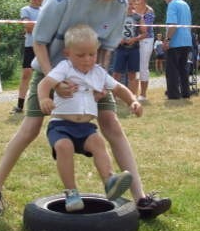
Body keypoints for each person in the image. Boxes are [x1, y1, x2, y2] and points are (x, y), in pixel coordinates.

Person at [0, 0, 171, 219]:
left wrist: (98, 82)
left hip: (92, 70)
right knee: (30, 128)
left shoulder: (119, 5)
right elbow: (39, 42)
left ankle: (141, 200)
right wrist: (54, 82)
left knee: (112, 125)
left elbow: (107, 47)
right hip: (52, 69)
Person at [38, 24, 140, 211]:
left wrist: (133, 101)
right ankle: (71, 193)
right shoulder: (64, 68)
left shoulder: (99, 72)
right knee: (64, 146)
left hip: (86, 128)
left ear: (97, 52)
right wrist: (44, 98)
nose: (87, 60)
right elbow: (44, 84)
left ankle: (110, 182)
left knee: (98, 143)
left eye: (91, 54)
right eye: (80, 55)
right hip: (61, 125)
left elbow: (118, 88)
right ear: (68, 53)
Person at [10, 0, 45, 114]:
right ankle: (20, 106)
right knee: (26, 75)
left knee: (48, 74)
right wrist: (42, 29)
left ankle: (48, 103)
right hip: (30, 46)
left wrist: (38, 28)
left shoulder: (45, 10)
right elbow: (28, 28)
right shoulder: (25, 9)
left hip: (43, 46)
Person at [161, 0, 192, 99]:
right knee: (183, 68)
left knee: (172, 69)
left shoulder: (172, 5)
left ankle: (173, 94)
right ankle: (186, 92)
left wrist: (167, 40)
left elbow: (172, 25)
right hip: (187, 40)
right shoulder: (185, 4)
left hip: (176, 41)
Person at [112, 0, 146, 95]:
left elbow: (144, 33)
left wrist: (135, 39)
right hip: (120, 49)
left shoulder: (138, 17)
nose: (130, 6)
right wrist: (118, 39)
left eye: (132, 4)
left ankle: (132, 97)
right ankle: (114, 97)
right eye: (128, 3)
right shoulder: (117, 16)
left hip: (134, 49)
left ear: (134, 4)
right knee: (116, 74)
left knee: (132, 74)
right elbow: (110, 32)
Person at [134, 0, 155, 102]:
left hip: (146, 40)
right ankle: (132, 93)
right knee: (133, 67)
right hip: (133, 40)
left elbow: (146, 29)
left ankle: (143, 94)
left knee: (143, 67)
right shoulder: (132, 8)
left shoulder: (149, 11)